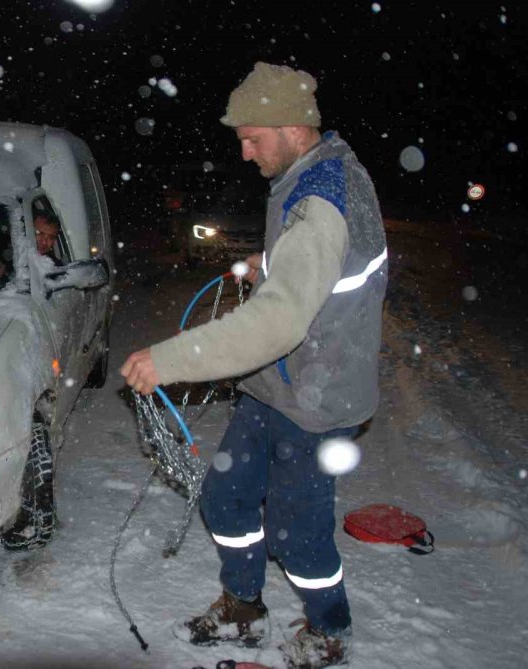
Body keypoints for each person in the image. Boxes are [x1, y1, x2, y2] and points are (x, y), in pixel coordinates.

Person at [119, 62, 387, 668]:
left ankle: (330, 628)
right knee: (227, 495)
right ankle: (243, 607)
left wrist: (169, 359)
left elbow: (279, 323)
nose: (243, 153)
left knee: (299, 531)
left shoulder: (323, 196)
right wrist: (267, 264)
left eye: (252, 137)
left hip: (317, 398)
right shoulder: (311, 173)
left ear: (294, 127)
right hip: (279, 385)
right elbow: (311, 267)